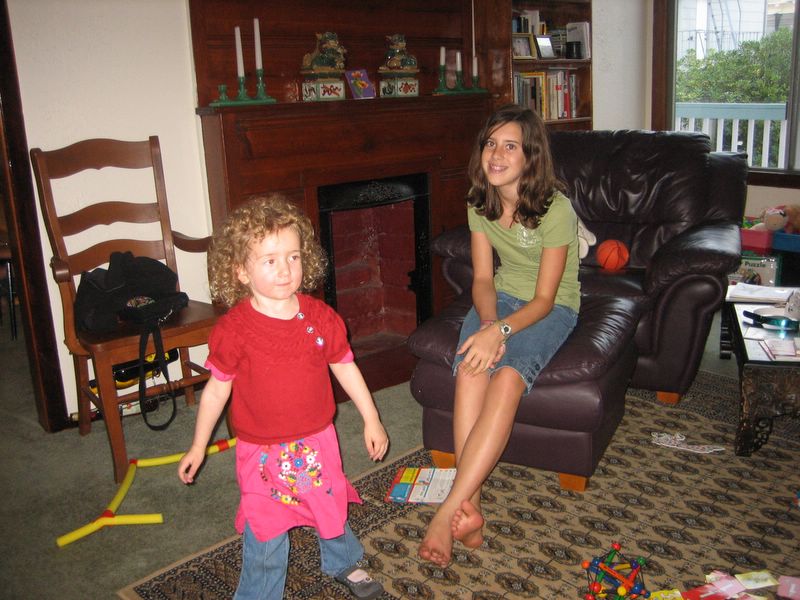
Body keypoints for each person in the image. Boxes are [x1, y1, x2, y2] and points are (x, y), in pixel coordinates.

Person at [178, 195, 389, 600]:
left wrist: (372, 418)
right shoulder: (234, 330)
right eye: (270, 260)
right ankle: (259, 594)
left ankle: (343, 561)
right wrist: (199, 445)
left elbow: (345, 366)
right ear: (241, 270)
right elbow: (216, 390)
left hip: (317, 440)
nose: (286, 270)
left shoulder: (320, 317)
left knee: (328, 506)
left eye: (293, 257)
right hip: (260, 451)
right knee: (266, 526)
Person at [418, 105, 580, 568]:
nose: (497, 154)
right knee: (472, 369)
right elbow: (483, 279)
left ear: (531, 157)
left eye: (510, 146)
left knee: (507, 378)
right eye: (491, 143)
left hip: (552, 307)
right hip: (501, 300)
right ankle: (473, 509)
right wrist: (490, 327)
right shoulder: (479, 203)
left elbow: (546, 299)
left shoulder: (556, 209)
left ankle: (448, 508)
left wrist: (503, 333)